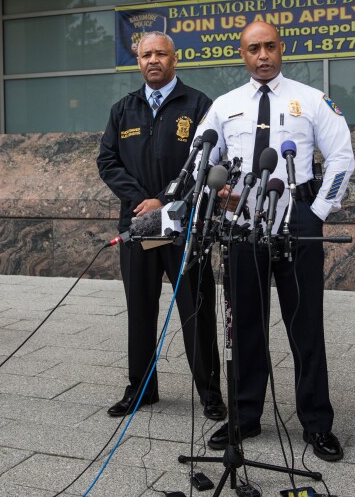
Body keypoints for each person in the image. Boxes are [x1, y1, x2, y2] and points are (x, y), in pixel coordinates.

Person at [194, 21, 355, 462]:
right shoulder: (225, 106)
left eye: (269, 46)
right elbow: (201, 159)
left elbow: (342, 156)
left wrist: (318, 211)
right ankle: (244, 416)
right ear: (241, 54)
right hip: (243, 226)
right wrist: (217, 192)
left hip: (297, 224)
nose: (262, 55)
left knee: (305, 326)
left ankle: (317, 424)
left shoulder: (312, 99)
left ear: (282, 48)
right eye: (252, 49)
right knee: (245, 325)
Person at [97, 31, 227, 421]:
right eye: (145, 55)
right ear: (138, 61)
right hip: (137, 226)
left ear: (174, 59)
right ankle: (141, 389)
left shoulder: (199, 104)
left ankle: (209, 392)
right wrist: (143, 200)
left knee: (195, 309)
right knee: (139, 310)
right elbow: (107, 161)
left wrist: (166, 201)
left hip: (184, 226)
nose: (152, 60)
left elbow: (208, 162)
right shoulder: (124, 109)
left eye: (160, 54)